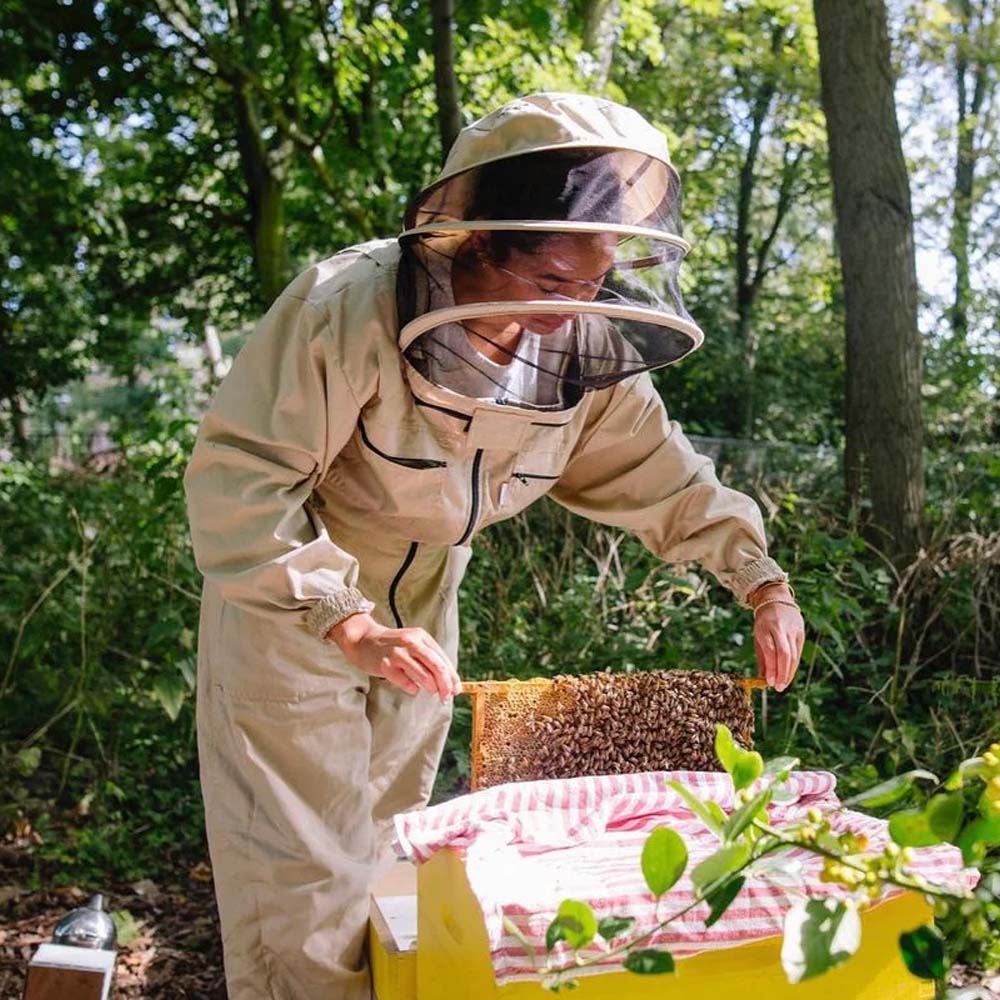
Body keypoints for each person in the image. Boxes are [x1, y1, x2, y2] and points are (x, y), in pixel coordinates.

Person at [184, 92, 805, 1000]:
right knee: (302, 880)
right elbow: (242, 479)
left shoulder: (583, 351)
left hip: (425, 602)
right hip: (290, 597)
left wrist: (761, 582)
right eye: (553, 281)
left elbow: (667, 476)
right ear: (480, 242)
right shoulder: (348, 307)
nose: (575, 307)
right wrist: (341, 619)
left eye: (593, 284)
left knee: (392, 854)